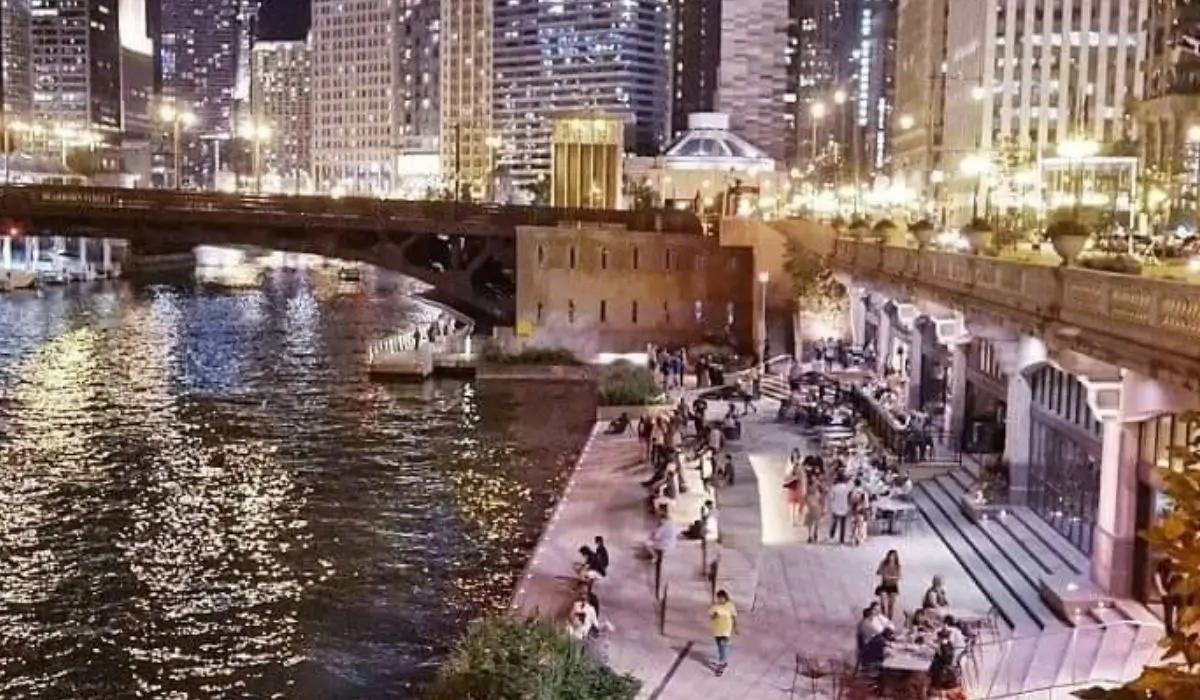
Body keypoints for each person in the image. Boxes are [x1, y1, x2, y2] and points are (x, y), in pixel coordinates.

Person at [709, 589, 738, 676]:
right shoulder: (715, 606)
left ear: (725, 597)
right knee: (720, 647)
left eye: (722, 598)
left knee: (722, 646)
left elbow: (733, 617)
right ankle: (724, 660)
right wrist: (714, 616)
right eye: (719, 598)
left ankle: (721, 665)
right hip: (717, 630)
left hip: (726, 629)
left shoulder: (730, 606)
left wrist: (735, 627)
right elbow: (711, 616)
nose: (721, 600)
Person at [1156, 557, 1183, 635]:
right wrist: (1160, 589)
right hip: (1168, 591)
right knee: (1168, 613)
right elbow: (1156, 574)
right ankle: (1169, 633)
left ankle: (1179, 631)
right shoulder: (1165, 562)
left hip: (1181, 591)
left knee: (1181, 612)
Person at [875, 550, 901, 619]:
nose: (891, 558)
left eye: (893, 557)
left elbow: (898, 576)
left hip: (893, 586)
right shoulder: (884, 563)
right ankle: (883, 617)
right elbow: (878, 572)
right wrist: (882, 573)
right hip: (884, 585)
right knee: (883, 602)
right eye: (890, 556)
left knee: (891, 605)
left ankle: (889, 619)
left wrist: (890, 577)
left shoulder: (897, 566)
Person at [828, 477, 853, 544]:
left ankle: (832, 533)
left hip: (836, 506)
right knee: (843, 524)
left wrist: (831, 505)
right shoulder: (847, 488)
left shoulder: (834, 488)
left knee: (835, 521)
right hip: (845, 506)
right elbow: (849, 497)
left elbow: (831, 497)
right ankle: (841, 539)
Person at [849, 478, 870, 545]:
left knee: (853, 525)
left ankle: (853, 537)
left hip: (853, 510)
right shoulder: (864, 492)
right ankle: (859, 538)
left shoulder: (851, 492)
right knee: (860, 525)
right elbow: (866, 503)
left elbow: (849, 501)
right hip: (861, 511)